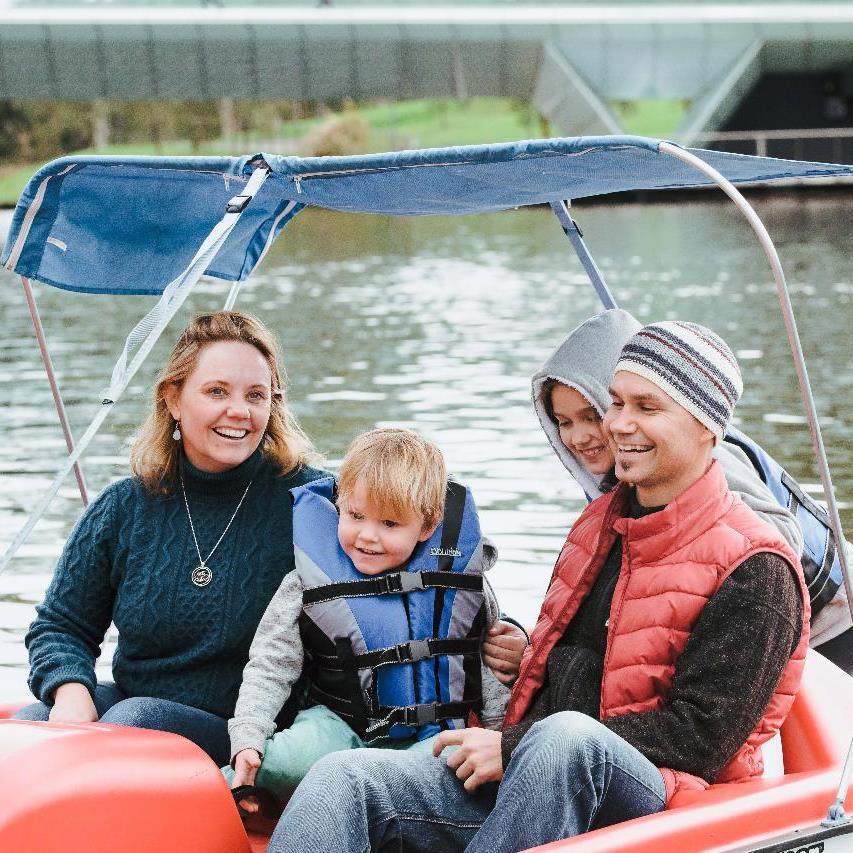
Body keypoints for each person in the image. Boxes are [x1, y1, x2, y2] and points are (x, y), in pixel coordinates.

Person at [266, 320, 809, 853]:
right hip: (536, 776)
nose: (618, 424)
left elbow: (702, 739)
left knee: (566, 738)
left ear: (706, 428)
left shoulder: (757, 566)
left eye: (647, 407)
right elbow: (580, 666)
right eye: (616, 403)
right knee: (345, 779)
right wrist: (517, 656)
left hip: (661, 799)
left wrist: (517, 744)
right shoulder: (598, 527)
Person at [14, 311, 327, 767]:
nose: (239, 410)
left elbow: (408, 538)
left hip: (252, 732)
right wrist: (70, 691)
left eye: (256, 395)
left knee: (134, 721)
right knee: (32, 722)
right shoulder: (123, 507)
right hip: (137, 709)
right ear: (173, 399)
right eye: (217, 391)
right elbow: (61, 626)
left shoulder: (313, 504)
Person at [530, 308, 852, 666]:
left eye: (592, 415)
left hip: (836, 623)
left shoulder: (709, 461)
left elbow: (775, 550)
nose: (578, 436)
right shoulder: (621, 486)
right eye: (563, 422)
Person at [225, 427, 509, 809]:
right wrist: (247, 739)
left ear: (427, 525)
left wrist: (499, 736)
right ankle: (224, 802)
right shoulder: (302, 584)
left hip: (433, 738)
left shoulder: (463, 583)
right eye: (355, 515)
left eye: (390, 524)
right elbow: (270, 666)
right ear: (339, 504)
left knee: (459, 773)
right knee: (269, 765)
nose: (367, 536)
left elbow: (492, 669)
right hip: (337, 728)